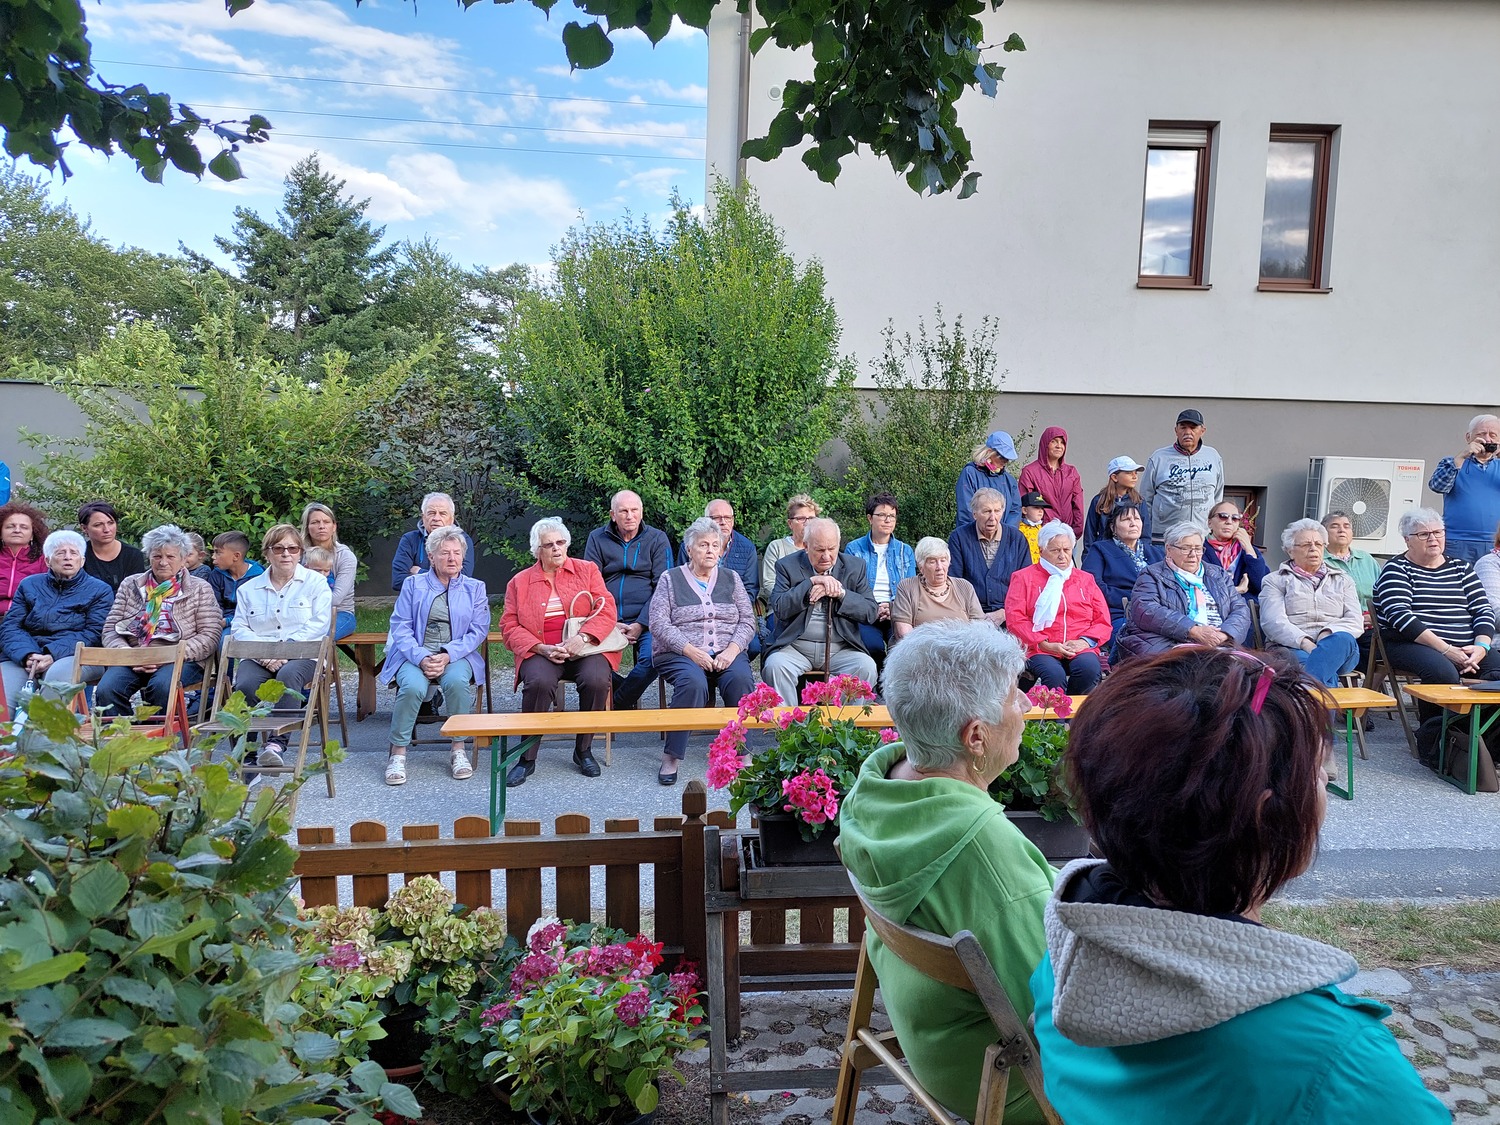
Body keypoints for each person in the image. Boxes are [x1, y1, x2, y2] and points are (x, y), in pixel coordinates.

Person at [1031, 647, 1448, 1125]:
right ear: (1264, 817)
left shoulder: (1062, 961)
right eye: (1320, 776)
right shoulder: (1338, 1062)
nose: (1325, 787)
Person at [840, 622, 1054, 1125]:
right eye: (1014, 696)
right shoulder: (985, 852)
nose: (1026, 706)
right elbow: (1057, 1010)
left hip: (932, 1043)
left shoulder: (876, 790)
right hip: (1005, 1084)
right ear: (976, 736)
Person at [500, 518, 619, 787]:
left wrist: (583, 637)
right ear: (537, 551)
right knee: (539, 682)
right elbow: (509, 625)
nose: (556, 548)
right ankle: (527, 757)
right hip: (543, 649)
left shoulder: (587, 570)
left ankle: (583, 750)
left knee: (597, 679)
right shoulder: (519, 582)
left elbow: (606, 609)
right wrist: (540, 647)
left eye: (560, 542)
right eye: (549, 545)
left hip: (585, 647)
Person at [650, 518, 756, 785]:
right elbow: (658, 623)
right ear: (689, 549)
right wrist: (690, 651)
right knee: (692, 682)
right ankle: (671, 756)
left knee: (741, 680)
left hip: (727, 650)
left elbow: (747, 621)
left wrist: (732, 650)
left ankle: (741, 751)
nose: (710, 550)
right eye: (703, 545)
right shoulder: (670, 579)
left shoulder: (732, 578)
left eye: (715, 545)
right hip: (680, 652)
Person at [380, 525, 489, 785]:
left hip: (456, 655)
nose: (452, 558)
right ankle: (398, 753)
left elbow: (478, 630)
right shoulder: (413, 585)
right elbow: (400, 626)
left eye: (457, 553)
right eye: (444, 553)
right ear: (431, 557)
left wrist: (448, 655)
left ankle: (458, 749)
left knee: (456, 682)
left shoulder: (475, 588)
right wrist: (421, 657)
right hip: (415, 653)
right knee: (412, 687)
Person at [1372, 508, 1500, 729]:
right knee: (1442, 671)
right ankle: (1434, 735)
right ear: (1407, 540)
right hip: (1410, 643)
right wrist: (1447, 650)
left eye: (1438, 532)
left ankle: (1482, 735)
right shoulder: (1396, 569)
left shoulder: (1462, 568)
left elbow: (1483, 610)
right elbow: (1401, 617)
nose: (1433, 538)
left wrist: (1481, 647)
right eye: (1424, 534)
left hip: (1467, 646)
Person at [229, 524, 333, 769]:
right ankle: (246, 754)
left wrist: (286, 650)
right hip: (259, 657)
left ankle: (276, 745)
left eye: (292, 549)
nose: (286, 554)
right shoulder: (248, 589)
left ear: (300, 553)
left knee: (288, 676)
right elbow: (239, 628)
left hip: (304, 655)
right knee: (244, 685)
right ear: (267, 553)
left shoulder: (316, 584)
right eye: (278, 548)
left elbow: (319, 624)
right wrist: (265, 655)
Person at [96, 524, 223, 717]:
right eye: (157, 556)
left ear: (183, 559)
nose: (163, 562)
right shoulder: (131, 584)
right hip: (134, 656)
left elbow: (209, 635)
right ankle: (123, 734)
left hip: (180, 658)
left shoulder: (199, 588)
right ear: (149, 557)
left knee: (162, 687)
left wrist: (168, 656)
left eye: (170, 556)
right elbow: (111, 630)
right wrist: (128, 655)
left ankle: (159, 734)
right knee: (107, 689)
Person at [763, 518, 880, 704]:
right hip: (795, 646)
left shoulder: (855, 567)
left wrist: (841, 594)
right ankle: (790, 721)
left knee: (865, 667)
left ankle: (844, 720)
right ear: (806, 546)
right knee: (775, 667)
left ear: (838, 545)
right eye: (819, 550)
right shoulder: (787, 566)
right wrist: (810, 583)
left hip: (840, 647)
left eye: (832, 549)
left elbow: (870, 612)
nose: (826, 556)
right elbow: (779, 608)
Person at [0, 530, 113, 705]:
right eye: (60, 553)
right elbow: (10, 626)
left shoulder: (100, 590)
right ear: (48, 561)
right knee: (5, 700)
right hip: (27, 654)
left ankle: (44, 725)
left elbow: (95, 633)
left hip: (75, 655)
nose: (68, 557)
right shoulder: (29, 584)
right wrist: (28, 654)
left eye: (73, 553)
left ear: (82, 561)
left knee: (56, 683)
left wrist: (51, 654)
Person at [584, 489, 673, 710]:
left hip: (648, 620)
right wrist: (609, 621)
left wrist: (641, 624)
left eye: (634, 510)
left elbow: (663, 588)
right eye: (623, 511)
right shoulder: (597, 538)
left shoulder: (657, 539)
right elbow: (590, 585)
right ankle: (625, 695)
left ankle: (618, 703)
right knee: (589, 660)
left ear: (642, 513)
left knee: (653, 658)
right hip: (607, 618)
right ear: (613, 515)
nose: (630, 516)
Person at [1004, 521, 1111, 693]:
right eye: (1055, 550)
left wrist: (1084, 642)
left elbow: (1102, 620)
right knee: (1054, 675)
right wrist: (1043, 643)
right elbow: (1015, 619)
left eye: (1067, 550)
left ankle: (1074, 709)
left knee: (1089, 669)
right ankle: (1055, 711)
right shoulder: (1023, 578)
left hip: (1079, 644)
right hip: (1039, 647)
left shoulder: (1085, 579)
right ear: (1041, 550)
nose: (1062, 556)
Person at [1117, 522, 1250, 659]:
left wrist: (1225, 634)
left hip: (1219, 642)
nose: (1193, 555)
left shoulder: (1218, 574)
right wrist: (1192, 630)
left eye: (1198, 549)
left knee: (1247, 667)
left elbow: (1240, 609)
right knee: (1189, 665)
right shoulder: (1152, 575)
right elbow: (1146, 609)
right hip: (1169, 642)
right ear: (1168, 549)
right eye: (1185, 548)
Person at [1259, 519, 1362, 687]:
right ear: (1290, 551)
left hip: (1338, 648)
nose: (1314, 548)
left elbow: (1355, 620)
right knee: (1319, 665)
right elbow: (1273, 622)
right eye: (1306, 544)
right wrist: (1306, 643)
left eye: (1318, 544)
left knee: (1343, 639)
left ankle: (1309, 692)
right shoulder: (1275, 580)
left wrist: (1326, 636)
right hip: (1292, 648)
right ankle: (1322, 699)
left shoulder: (1343, 580)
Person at [1081, 501, 1164, 661]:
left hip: (1158, 615)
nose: (1133, 523)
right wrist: (1133, 599)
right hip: (1120, 613)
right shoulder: (1100, 549)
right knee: (1142, 646)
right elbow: (1092, 585)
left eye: (1137, 519)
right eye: (1126, 519)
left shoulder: (1156, 553)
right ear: (1113, 527)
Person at [844, 492, 915, 665]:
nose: (887, 520)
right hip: (865, 612)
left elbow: (911, 588)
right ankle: (877, 680)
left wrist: (892, 607)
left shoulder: (904, 550)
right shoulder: (854, 549)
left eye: (892, 516)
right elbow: (850, 588)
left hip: (897, 612)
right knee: (872, 647)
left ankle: (893, 681)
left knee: (903, 646)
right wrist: (872, 608)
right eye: (882, 515)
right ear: (870, 518)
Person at [946, 488, 1031, 627]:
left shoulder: (1017, 538)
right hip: (970, 617)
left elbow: (1027, 585)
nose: (993, 517)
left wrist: (1005, 613)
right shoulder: (959, 537)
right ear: (974, 514)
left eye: (997, 511)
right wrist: (975, 616)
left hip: (1010, 615)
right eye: (986, 511)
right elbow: (954, 583)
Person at [1139, 408, 1224, 543]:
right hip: (1163, 537)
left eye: (1193, 428)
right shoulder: (1159, 458)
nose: (1188, 432)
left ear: (1202, 431)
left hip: (1202, 537)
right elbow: (1145, 498)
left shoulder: (1213, 457)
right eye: (1183, 427)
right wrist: (1145, 533)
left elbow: (1217, 497)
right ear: (1176, 430)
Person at [1427, 413, 1500, 563]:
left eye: (1493, 435)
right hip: (1456, 541)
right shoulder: (1452, 462)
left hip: (1495, 541)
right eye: (1481, 434)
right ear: (1468, 437)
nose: (1487, 439)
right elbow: (1437, 486)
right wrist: (1461, 458)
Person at [890, 537, 986, 641]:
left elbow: (979, 626)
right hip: (921, 648)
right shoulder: (907, 587)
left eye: (943, 560)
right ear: (921, 567)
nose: (939, 567)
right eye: (932, 562)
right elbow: (904, 633)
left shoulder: (964, 586)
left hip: (962, 647)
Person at [390, 492, 475, 591]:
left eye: (442, 513)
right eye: (431, 513)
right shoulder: (410, 539)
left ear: (451, 519)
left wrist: (420, 572)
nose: (436, 518)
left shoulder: (462, 540)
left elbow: (461, 582)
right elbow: (398, 581)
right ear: (423, 517)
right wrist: (443, 581)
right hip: (419, 600)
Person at [301, 501, 358, 640]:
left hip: (340, 613)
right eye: (315, 522)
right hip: (303, 613)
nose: (321, 526)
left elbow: (337, 598)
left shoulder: (345, 556)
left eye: (326, 522)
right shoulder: (299, 555)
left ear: (334, 527)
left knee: (317, 636)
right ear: (307, 527)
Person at [1018, 425, 1085, 537]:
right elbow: (1025, 504)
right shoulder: (1030, 472)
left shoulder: (1071, 472)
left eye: (1062, 442)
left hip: (1067, 534)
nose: (1059, 446)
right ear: (1045, 444)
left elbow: (1078, 504)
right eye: (1054, 441)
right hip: (1042, 534)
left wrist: (1075, 532)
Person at [955, 430, 1021, 531]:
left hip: (1002, 537)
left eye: (1008, 458)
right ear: (989, 452)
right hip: (973, 535)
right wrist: (980, 534)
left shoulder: (1009, 480)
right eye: (1002, 457)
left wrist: (1005, 534)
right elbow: (966, 511)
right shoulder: (970, 473)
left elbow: (1015, 511)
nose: (1006, 461)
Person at [77, 500, 146, 594]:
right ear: (84, 528)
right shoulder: (78, 555)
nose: (107, 530)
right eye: (98, 525)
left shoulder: (133, 555)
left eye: (110, 523)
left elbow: (135, 593)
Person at [1082, 455, 1152, 547]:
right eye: (1129, 473)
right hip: (1104, 551)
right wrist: (1089, 554)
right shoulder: (1099, 500)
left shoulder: (1138, 501)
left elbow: (1146, 534)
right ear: (1114, 477)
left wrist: (1143, 552)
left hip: (1131, 552)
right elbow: (1090, 533)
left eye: (1135, 473)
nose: (1134, 477)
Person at [1203, 500, 1270, 596]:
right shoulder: (1198, 549)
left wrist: (1248, 547)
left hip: (1244, 604)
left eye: (1235, 518)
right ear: (1209, 523)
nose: (1229, 522)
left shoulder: (1247, 551)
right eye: (1223, 516)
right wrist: (1236, 590)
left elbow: (1261, 585)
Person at [761, 494, 820, 597]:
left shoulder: (821, 549)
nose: (807, 523)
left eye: (811, 518)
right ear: (790, 523)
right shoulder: (777, 547)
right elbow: (769, 585)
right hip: (783, 604)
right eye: (801, 518)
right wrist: (796, 598)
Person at [1321, 509, 1381, 610]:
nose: (1342, 530)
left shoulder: (1366, 559)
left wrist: (1374, 615)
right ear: (1323, 533)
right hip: (1335, 616)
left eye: (1346, 526)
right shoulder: (1318, 560)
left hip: (1371, 616)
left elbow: (1383, 592)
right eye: (1334, 526)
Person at [706, 498, 760, 605]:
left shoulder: (747, 548)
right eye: (717, 518)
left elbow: (750, 590)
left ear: (733, 520)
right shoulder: (692, 546)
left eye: (727, 518)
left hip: (733, 610)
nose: (723, 522)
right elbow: (682, 584)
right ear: (706, 520)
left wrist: (731, 611)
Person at [0, 501, 49, 617]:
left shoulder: (44, 560)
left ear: (32, 535)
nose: (17, 530)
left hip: (29, 620)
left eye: (24, 527)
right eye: (10, 526)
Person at [207, 531, 264, 624]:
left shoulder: (258, 576)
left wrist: (228, 621)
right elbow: (214, 604)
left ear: (236, 556)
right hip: (220, 621)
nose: (213, 557)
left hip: (250, 621)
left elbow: (258, 609)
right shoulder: (216, 574)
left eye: (218, 552)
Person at [1015, 490, 1051, 564]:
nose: (1040, 511)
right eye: (1036, 507)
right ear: (1024, 510)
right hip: (1024, 566)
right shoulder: (1018, 529)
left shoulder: (1043, 530)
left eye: (1042, 508)